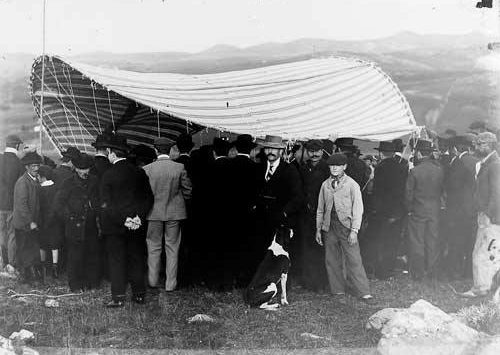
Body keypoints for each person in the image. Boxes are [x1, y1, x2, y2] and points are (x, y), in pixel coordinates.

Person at [100, 135, 154, 307]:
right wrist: (138, 217)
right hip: (137, 225)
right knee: (136, 258)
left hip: (116, 226)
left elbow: (106, 204)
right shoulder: (139, 172)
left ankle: (118, 297)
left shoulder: (107, 175)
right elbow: (148, 198)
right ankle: (139, 295)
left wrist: (124, 220)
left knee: (116, 260)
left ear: (111, 153)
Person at [315, 153, 373, 303]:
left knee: (354, 258)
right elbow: (320, 209)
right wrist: (318, 229)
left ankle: (363, 291)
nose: (334, 168)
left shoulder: (352, 185)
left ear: (344, 167)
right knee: (332, 258)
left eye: (338, 166)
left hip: (346, 226)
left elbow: (358, 209)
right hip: (329, 226)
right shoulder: (325, 185)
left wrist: (354, 230)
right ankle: (338, 290)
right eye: (331, 166)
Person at [143, 137, 191, 292]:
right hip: (174, 214)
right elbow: (188, 191)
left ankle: (152, 280)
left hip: (153, 213)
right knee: (172, 248)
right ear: (170, 150)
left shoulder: (147, 169)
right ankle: (171, 284)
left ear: (156, 150)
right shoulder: (179, 167)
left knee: (153, 247)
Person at [54, 154, 101, 292]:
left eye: (87, 169)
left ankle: (91, 282)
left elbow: (100, 199)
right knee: (75, 256)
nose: (84, 172)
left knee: (91, 254)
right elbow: (58, 205)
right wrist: (69, 217)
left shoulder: (95, 181)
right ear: (75, 168)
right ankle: (75, 285)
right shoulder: (67, 183)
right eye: (81, 169)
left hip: (91, 225)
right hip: (74, 226)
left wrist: (95, 208)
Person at [461, 132, 500, 297]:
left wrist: (489, 214)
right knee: (488, 251)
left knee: (483, 252)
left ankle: (481, 287)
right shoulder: (489, 163)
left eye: (479, 144)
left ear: (489, 145)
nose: (475, 147)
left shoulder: (494, 165)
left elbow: (497, 193)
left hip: (490, 217)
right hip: (488, 215)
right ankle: (488, 285)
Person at [255, 135, 302, 271]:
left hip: (280, 221)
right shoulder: (259, 168)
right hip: (261, 218)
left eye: (274, 149)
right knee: (260, 250)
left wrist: (284, 212)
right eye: (268, 148)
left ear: (281, 151)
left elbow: (298, 197)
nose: (270, 151)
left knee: (278, 254)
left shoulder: (290, 170)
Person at [405, 140, 444, 281]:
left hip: (418, 210)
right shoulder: (439, 170)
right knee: (432, 240)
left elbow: (408, 194)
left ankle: (418, 273)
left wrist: (409, 209)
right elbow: (441, 191)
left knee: (417, 241)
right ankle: (432, 272)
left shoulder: (414, 171)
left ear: (419, 153)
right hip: (434, 210)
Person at [371, 141, 408, 279]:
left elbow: (377, 191)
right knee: (393, 241)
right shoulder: (401, 166)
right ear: (393, 153)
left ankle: (381, 271)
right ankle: (389, 269)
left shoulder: (380, 167)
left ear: (381, 153)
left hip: (384, 212)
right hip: (398, 211)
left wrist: (376, 209)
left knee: (381, 241)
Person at [443, 136, 477, 279]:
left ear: (455, 149)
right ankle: (468, 271)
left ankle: (453, 271)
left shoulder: (459, 163)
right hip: (472, 209)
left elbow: (453, 188)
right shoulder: (476, 161)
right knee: (470, 243)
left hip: (458, 209)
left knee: (455, 241)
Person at [298, 139, 330, 291]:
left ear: (322, 151)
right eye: (311, 151)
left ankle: (321, 282)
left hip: (322, 214)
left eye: (317, 151)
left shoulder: (328, 168)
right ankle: (308, 281)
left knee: (320, 247)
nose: (314, 154)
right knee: (306, 246)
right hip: (306, 214)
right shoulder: (303, 168)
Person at [228, 134, 259, 287]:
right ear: (251, 150)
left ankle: (231, 275)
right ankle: (244, 278)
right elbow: (258, 191)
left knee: (231, 243)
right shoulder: (255, 167)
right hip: (248, 213)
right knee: (246, 244)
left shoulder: (229, 165)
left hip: (230, 211)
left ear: (236, 148)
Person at [12, 151, 43, 283]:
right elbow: (22, 205)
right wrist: (30, 222)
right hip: (23, 223)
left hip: (30, 222)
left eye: (37, 165)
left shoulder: (33, 180)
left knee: (30, 249)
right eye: (33, 166)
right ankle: (25, 278)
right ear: (27, 167)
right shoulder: (22, 182)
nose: (36, 168)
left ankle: (29, 276)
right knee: (24, 250)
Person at [0, 134, 24, 270]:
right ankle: (11, 264)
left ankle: (3, 262)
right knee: (11, 234)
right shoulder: (19, 163)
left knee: (1, 233)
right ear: (17, 145)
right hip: (11, 204)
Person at [37, 165, 63, 279]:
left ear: (42, 177)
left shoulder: (39, 189)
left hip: (43, 220)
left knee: (42, 244)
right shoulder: (57, 188)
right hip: (55, 220)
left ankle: (42, 268)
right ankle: (55, 267)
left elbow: (37, 207)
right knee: (54, 245)